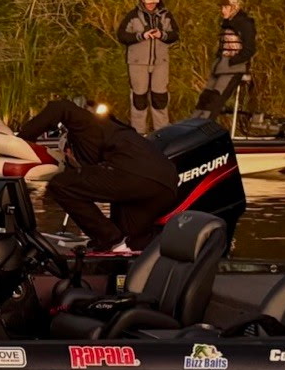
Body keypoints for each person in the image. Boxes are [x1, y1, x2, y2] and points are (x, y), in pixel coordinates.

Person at [12, 97, 177, 254]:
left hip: (134, 171)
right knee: (128, 241)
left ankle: (109, 239)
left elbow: (60, 107)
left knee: (60, 185)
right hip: (165, 185)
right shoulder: (114, 137)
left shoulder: (87, 126)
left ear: (68, 149)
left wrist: (22, 141)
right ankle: (117, 249)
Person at [117, 0, 178, 132]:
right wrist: (141, 36)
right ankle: (138, 133)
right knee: (139, 98)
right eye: (149, 1)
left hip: (160, 62)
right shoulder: (132, 15)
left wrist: (162, 35)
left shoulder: (166, 15)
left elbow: (175, 34)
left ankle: (162, 133)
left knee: (160, 98)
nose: (151, 4)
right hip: (137, 63)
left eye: (154, 2)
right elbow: (122, 35)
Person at [194, 0, 257, 119]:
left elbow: (250, 49)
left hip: (233, 67)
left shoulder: (245, 23)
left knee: (216, 99)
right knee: (205, 98)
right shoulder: (226, 23)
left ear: (234, 7)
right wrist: (219, 60)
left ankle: (203, 125)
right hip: (221, 65)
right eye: (222, 7)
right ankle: (192, 124)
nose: (222, 10)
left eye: (226, 8)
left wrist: (233, 61)